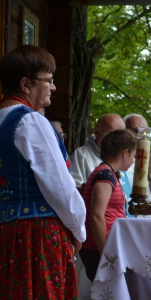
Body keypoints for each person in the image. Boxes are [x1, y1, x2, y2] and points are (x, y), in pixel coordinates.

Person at [0, 45, 86, 298]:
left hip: (7, 233)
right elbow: (59, 186)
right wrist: (78, 229)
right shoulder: (30, 121)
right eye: (48, 80)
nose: (54, 86)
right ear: (26, 84)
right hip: (37, 235)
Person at [80, 129, 136, 281]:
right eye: (133, 155)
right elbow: (97, 216)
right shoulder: (105, 175)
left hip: (108, 246)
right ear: (125, 153)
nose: (133, 160)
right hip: (100, 248)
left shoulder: (109, 173)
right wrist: (106, 254)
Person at [69, 113, 125, 189]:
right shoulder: (81, 156)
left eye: (121, 136)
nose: (117, 141)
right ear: (96, 132)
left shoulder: (126, 158)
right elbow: (74, 189)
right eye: (111, 135)